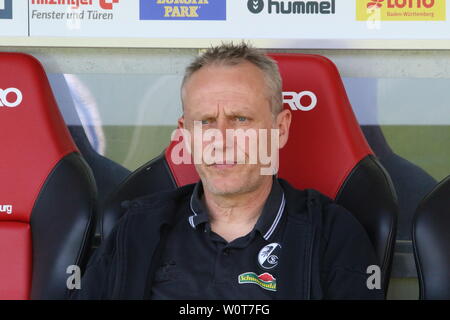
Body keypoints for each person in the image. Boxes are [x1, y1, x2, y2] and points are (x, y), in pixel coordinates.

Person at [71, 43, 383, 300]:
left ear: (280, 127)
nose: (221, 140)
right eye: (205, 121)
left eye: (240, 120)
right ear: (186, 134)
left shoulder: (332, 234)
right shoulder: (138, 228)